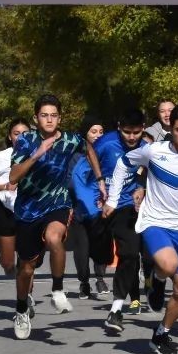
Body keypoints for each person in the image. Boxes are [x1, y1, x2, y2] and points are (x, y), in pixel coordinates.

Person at [107, 105, 178, 354]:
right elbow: (124, 163)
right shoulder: (154, 151)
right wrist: (113, 199)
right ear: (171, 129)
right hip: (155, 222)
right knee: (167, 265)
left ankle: (161, 333)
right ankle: (155, 280)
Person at [6, 94, 105, 340]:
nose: (49, 120)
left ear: (59, 118)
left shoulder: (70, 139)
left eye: (53, 115)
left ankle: (58, 290)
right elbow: (13, 177)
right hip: (28, 209)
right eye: (44, 115)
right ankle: (21, 309)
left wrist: (100, 179)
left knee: (54, 238)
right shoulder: (26, 141)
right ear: (35, 118)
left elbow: (89, 148)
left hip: (58, 203)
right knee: (26, 268)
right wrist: (38, 153)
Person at [95, 110, 147, 334]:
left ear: (143, 128)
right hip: (98, 205)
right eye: (127, 132)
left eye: (136, 132)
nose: (132, 137)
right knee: (100, 255)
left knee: (130, 253)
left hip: (125, 206)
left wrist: (141, 186)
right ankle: (97, 273)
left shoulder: (145, 148)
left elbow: (152, 173)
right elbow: (84, 170)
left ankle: (116, 309)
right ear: (119, 127)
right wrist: (94, 196)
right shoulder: (105, 144)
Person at [0, 120, 30, 278]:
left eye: (25, 134)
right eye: (17, 134)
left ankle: (25, 294)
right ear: (10, 137)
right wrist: (4, 187)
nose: (21, 137)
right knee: (9, 263)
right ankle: (7, 264)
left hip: (30, 209)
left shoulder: (37, 155)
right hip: (5, 211)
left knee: (28, 260)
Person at [67, 115, 107, 299]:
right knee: (81, 249)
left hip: (101, 208)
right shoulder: (75, 156)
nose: (98, 135)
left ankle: (100, 278)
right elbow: (69, 181)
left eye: (101, 132)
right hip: (79, 208)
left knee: (100, 245)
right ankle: (84, 282)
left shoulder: (107, 153)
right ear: (85, 135)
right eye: (93, 132)